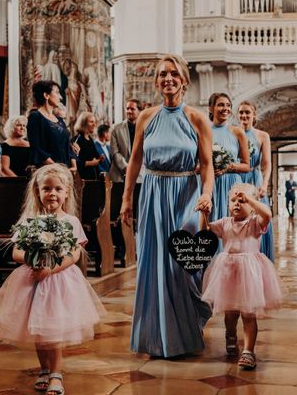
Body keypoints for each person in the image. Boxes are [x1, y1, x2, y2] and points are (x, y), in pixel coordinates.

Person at [119, 54, 214, 358]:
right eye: (162, 74)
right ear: (157, 81)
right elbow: (134, 160)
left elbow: (207, 163)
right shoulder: (146, 117)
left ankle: (186, 329)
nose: (168, 79)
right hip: (153, 191)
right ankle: (157, 337)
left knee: (182, 264)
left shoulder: (197, 118)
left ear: (184, 80)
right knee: (153, 262)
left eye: (173, 74)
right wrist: (126, 198)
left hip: (186, 192)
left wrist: (207, 193)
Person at [0, 163, 105, 395]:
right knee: (39, 331)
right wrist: (33, 261)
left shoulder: (71, 221)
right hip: (32, 280)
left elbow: (74, 254)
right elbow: (16, 252)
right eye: (47, 189)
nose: (52, 194)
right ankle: (44, 369)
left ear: (66, 193)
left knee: (55, 330)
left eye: (58, 189)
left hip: (60, 282)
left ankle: (56, 373)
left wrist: (51, 268)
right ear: (37, 192)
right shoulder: (30, 221)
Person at [201, 183, 281, 369]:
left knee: (248, 313)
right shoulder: (224, 222)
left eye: (242, 200)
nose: (238, 203)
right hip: (228, 273)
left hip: (249, 275)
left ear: (252, 204)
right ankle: (230, 335)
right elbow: (205, 230)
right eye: (234, 200)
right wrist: (204, 214)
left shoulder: (255, 222)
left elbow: (267, 214)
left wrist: (250, 200)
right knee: (230, 314)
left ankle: (248, 351)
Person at [237, 101, 274, 262]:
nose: (244, 116)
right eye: (241, 113)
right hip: (238, 179)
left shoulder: (262, 135)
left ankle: (259, 258)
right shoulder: (233, 133)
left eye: (247, 112)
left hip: (255, 178)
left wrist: (264, 184)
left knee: (258, 217)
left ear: (254, 115)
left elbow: (267, 164)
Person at [209, 92, 250, 221]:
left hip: (232, 184)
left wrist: (229, 166)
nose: (225, 108)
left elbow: (246, 166)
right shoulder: (205, 131)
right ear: (211, 108)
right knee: (212, 223)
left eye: (228, 105)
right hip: (212, 183)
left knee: (233, 224)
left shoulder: (238, 132)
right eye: (221, 105)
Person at [27, 80, 77, 171]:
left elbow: (68, 145)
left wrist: (73, 164)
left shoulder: (60, 120)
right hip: (47, 171)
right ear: (46, 95)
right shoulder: (35, 116)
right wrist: (55, 167)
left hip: (65, 169)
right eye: (57, 93)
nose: (61, 97)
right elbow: (36, 147)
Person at [109, 99, 141, 183]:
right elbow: (114, 152)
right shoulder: (116, 128)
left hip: (140, 175)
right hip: (119, 175)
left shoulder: (146, 128)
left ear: (139, 111)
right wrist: (125, 167)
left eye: (132, 109)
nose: (129, 111)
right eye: (127, 108)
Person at [72, 111, 104, 180]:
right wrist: (91, 163)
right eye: (91, 122)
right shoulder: (77, 139)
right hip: (82, 180)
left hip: (93, 178)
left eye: (94, 122)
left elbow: (96, 157)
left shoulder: (90, 139)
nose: (94, 124)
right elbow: (75, 162)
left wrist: (100, 159)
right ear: (83, 123)